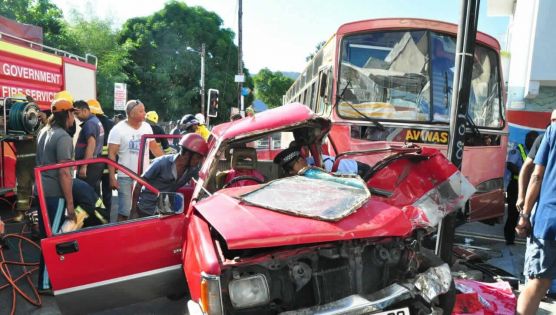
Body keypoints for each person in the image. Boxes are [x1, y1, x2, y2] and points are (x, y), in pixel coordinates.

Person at [515, 118, 556, 315]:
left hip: (549, 218)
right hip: (548, 218)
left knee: (537, 283)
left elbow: (535, 175)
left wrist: (524, 214)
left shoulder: (552, 132)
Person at [35, 98, 76, 294]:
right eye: (72, 113)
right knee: (54, 240)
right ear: (66, 114)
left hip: (41, 191)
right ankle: (45, 284)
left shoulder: (44, 131)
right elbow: (64, 173)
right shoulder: (63, 137)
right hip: (54, 193)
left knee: (46, 237)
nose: (73, 117)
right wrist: (70, 204)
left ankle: (47, 278)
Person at [107, 100, 164, 222]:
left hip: (144, 176)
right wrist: (112, 177)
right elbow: (111, 154)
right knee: (124, 211)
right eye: (141, 111)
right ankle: (119, 235)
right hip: (125, 176)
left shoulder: (147, 127)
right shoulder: (117, 130)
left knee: (141, 209)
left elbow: (154, 147)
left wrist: (165, 163)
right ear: (132, 114)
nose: (145, 113)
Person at [131, 133, 208, 217]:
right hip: (146, 209)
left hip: (165, 209)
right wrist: (133, 211)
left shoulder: (192, 170)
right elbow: (138, 183)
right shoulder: (161, 163)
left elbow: (204, 183)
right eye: (198, 157)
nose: (199, 161)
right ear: (187, 154)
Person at [505, 130, 539, 245]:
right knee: (513, 214)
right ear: (526, 140)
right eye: (530, 140)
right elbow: (510, 164)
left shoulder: (539, 151)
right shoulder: (519, 149)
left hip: (532, 186)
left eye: (534, 141)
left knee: (530, 213)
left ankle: (529, 236)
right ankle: (509, 238)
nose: (532, 142)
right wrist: (524, 174)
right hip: (516, 186)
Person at [87, 99, 115, 213]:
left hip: (96, 165)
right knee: (108, 194)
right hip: (109, 165)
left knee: (95, 193)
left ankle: (99, 215)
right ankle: (107, 216)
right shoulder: (110, 124)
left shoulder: (92, 123)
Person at [73, 100, 105, 193]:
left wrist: (84, 166)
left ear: (85, 110)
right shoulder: (95, 121)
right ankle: (97, 208)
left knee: (84, 193)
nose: (76, 116)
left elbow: (91, 144)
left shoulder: (90, 124)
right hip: (95, 163)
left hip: (90, 165)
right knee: (92, 192)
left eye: (77, 113)